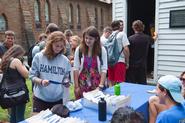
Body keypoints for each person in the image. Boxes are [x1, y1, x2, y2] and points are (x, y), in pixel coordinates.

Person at [29, 31, 71, 112]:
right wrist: (41, 81)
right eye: (56, 46)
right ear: (50, 44)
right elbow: (32, 76)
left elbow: (66, 77)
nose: (59, 48)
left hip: (58, 99)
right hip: (40, 99)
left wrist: (66, 81)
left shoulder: (65, 60)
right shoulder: (39, 57)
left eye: (61, 46)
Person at [73, 26, 107, 99]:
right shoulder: (79, 49)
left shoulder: (102, 50)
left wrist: (100, 86)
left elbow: (104, 69)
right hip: (82, 84)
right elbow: (76, 68)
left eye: (90, 39)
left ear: (96, 39)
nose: (87, 40)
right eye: (86, 38)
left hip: (96, 84)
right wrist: (76, 87)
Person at [0, 45, 29, 123]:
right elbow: (26, 75)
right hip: (19, 92)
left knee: (13, 116)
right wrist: (24, 64)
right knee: (20, 117)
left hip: (9, 92)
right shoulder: (16, 61)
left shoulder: (5, 60)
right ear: (18, 53)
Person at [126, 20, 152, 85]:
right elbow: (153, 41)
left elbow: (127, 51)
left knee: (131, 84)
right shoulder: (147, 38)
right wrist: (156, 36)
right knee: (142, 83)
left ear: (133, 28)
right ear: (142, 27)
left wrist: (127, 62)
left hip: (132, 65)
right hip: (142, 65)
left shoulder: (130, 39)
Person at [108, 20, 130, 85]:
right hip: (119, 61)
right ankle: (119, 95)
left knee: (112, 82)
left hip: (111, 61)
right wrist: (127, 61)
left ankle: (113, 94)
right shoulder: (122, 34)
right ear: (119, 26)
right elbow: (126, 49)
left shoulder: (110, 36)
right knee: (120, 83)